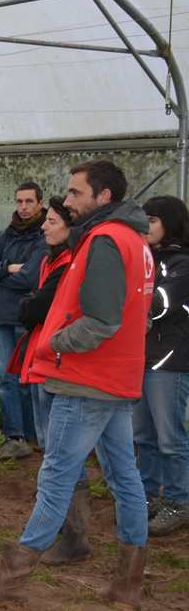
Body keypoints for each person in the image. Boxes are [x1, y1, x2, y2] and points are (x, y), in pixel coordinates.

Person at [0, 160, 153, 611]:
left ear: (103, 197)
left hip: (86, 378)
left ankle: (12, 578)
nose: (66, 201)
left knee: (57, 475)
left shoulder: (104, 240)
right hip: (119, 377)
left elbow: (103, 319)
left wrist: (55, 343)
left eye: (75, 193)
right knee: (125, 477)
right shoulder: (136, 242)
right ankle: (128, 583)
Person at [15, 196, 84, 563]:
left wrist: (30, 305)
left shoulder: (70, 262)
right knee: (52, 448)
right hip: (43, 360)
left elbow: (37, 306)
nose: (44, 226)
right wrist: (31, 303)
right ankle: (68, 532)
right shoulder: (50, 259)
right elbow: (31, 299)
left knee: (61, 452)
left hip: (56, 364)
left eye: (52, 221)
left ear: (70, 228)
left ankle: (72, 537)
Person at [0, 182, 46, 460]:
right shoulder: (6, 234)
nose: (23, 207)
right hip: (2, 319)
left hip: (26, 319)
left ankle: (32, 436)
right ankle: (15, 436)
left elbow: (30, 278)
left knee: (28, 383)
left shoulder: (44, 235)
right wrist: (7, 268)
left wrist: (1, 276)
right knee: (6, 380)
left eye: (29, 201)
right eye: (19, 201)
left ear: (40, 204)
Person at [134, 195, 189, 536]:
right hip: (142, 358)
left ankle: (179, 502)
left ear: (170, 222)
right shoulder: (146, 258)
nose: (146, 226)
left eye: (152, 220)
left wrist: (126, 299)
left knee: (170, 438)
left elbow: (161, 304)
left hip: (168, 361)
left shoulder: (183, 262)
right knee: (143, 435)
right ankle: (148, 497)